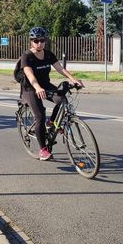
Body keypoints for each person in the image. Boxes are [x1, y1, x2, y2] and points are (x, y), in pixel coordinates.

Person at [20, 26, 84, 161]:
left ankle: (53, 122)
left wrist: (74, 80)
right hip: (30, 88)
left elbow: (60, 69)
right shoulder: (27, 56)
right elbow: (29, 74)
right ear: (31, 41)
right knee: (40, 116)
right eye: (36, 40)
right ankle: (43, 149)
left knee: (62, 100)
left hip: (45, 85)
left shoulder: (48, 54)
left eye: (42, 40)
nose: (39, 43)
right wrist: (37, 87)